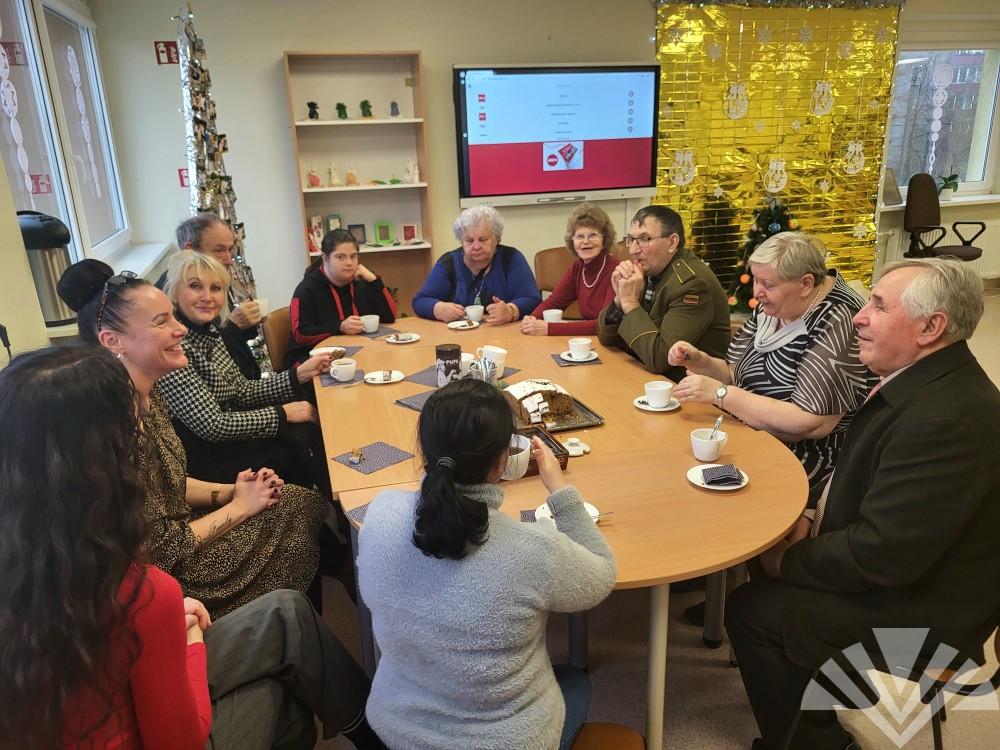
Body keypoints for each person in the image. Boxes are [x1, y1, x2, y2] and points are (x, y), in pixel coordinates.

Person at [0, 346, 383, 750]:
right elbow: (179, 740)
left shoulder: (36, 555)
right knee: (285, 702)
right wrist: (189, 643)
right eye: (134, 422)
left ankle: (374, 733)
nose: (144, 424)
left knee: (288, 613)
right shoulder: (138, 591)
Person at [725, 258, 1000, 750]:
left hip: (930, 609)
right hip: (911, 569)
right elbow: (866, 482)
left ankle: (816, 744)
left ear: (931, 328)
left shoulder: (946, 419)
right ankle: (810, 701)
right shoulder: (926, 380)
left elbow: (882, 555)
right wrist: (811, 516)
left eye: (878, 305)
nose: (858, 315)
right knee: (767, 569)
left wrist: (790, 558)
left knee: (753, 611)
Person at [58, 259, 328, 618]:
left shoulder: (149, 395)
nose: (180, 329)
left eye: (173, 318)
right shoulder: (114, 424)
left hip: (182, 529)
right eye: (162, 322)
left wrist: (231, 492)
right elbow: (162, 549)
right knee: (297, 504)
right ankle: (285, 627)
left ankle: (299, 627)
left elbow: (171, 482)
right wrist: (240, 506)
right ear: (112, 341)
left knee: (297, 500)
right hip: (172, 574)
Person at [358, 378, 616, 750]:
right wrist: (560, 490)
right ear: (502, 462)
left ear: (424, 449)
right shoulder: (532, 549)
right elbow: (602, 573)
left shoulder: (381, 512)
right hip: (503, 741)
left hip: (400, 727)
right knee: (576, 682)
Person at [160, 250, 332, 491]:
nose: (207, 297)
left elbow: (241, 391)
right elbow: (212, 425)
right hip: (207, 460)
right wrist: (282, 413)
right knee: (300, 445)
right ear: (175, 293)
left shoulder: (209, 332)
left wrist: (298, 374)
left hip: (230, 440)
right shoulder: (173, 346)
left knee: (308, 431)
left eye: (216, 288)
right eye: (195, 286)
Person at [596, 204, 731, 381]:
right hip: (646, 375)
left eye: (644, 239)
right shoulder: (649, 270)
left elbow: (660, 359)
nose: (633, 250)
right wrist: (619, 301)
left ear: (672, 242)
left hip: (683, 385)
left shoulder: (692, 284)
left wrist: (629, 302)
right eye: (631, 239)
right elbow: (605, 338)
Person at [158, 212, 263, 378]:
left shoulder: (216, 277)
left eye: (230, 249)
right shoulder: (167, 298)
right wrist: (233, 325)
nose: (229, 260)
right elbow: (203, 356)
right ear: (190, 250)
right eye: (219, 250)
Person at [286, 227, 397, 367]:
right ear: (325, 258)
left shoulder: (360, 282)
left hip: (355, 354)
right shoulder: (307, 289)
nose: (349, 263)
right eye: (340, 257)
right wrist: (339, 326)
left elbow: (389, 316)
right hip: (310, 360)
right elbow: (300, 334)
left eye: (353, 256)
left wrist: (374, 281)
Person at [412, 205, 541, 323]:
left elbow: (532, 299)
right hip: (459, 335)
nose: (476, 246)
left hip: (503, 333)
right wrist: (439, 309)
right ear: (461, 241)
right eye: (469, 240)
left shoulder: (511, 258)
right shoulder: (449, 263)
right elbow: (420, 301)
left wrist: (511, 310)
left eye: (483, 239)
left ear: (496, 239)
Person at [520, 203, 621, 336]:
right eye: (580, 236)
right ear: (572, 241)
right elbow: (554, 302)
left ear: (605, 240)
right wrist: (531, 319)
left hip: (614, 343)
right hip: (592, 341)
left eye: (592, 235)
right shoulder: (578, 268)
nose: (585, 241)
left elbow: (603, 325)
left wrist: (549, 329)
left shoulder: (616, 271)